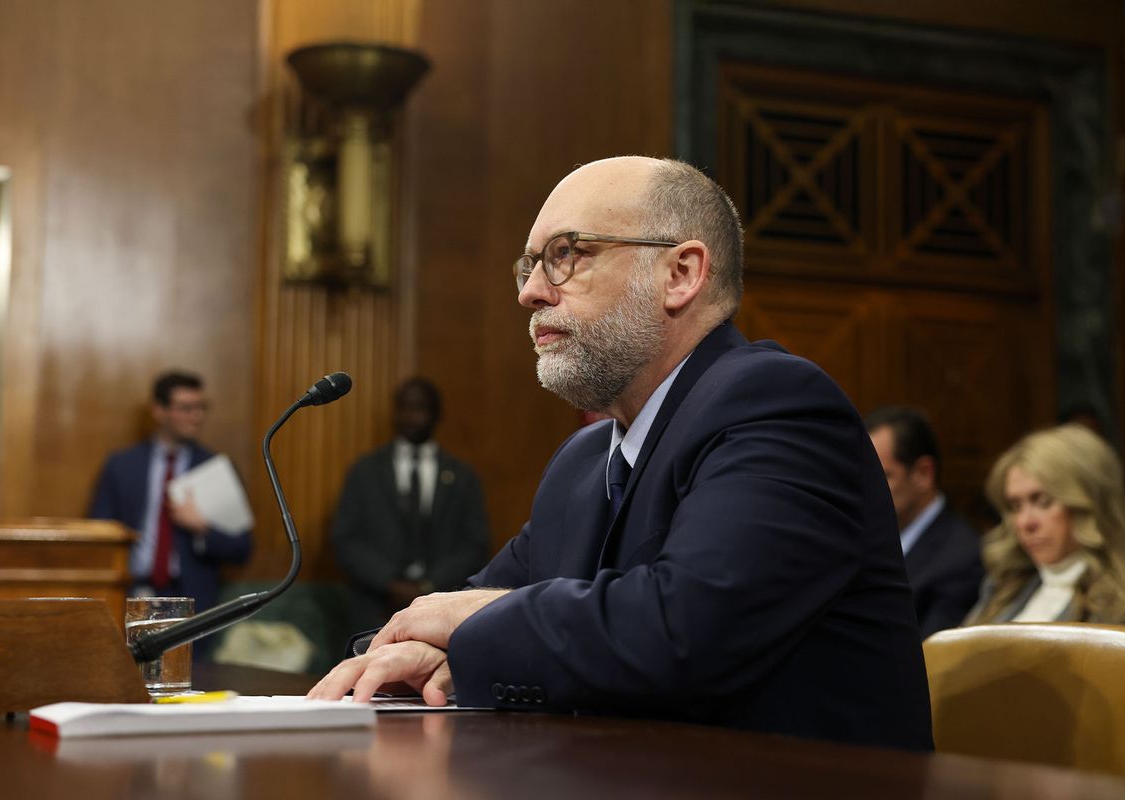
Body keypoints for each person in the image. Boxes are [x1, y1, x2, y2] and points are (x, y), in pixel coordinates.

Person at [309, 156, 933, 751]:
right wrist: (414, 648)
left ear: (681, 273)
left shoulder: (778, 405)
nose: (530, 293)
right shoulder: (582, 462)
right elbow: (459, 611)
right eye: (527, 267)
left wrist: (476, 626)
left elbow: (682, 632)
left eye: (564, 255)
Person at [330, 377, 490, 626]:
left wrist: (428, 586)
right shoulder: (365, 470)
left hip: (442, 607)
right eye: (403, 408)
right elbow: (346, 539)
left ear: (436, 414)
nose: (410, 417)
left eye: (419, 408)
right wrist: (389, 583)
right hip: (374, 606)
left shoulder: (461, 476)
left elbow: (475, 543)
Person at [89, 370, 253, 614]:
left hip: (193, 600)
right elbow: (99, 534)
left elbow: (242, 548)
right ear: (159, 410)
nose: (196, 416)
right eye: (186, 408)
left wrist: (201, 527)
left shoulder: (215, 467)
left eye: (201, 408)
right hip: (131, 593)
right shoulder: (122, 465)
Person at [964, 424, 1125, 624]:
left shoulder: (1123, 602)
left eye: (1043, 502)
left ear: (1088, 503)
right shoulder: (1004, 586)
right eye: (1015, 506)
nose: (1025, 522)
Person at [865, 406, 983, 637]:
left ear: (923, 473)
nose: (866, 490)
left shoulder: (962, 558)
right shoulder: (865, 538)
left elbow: (933, 660)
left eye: (881, 476)